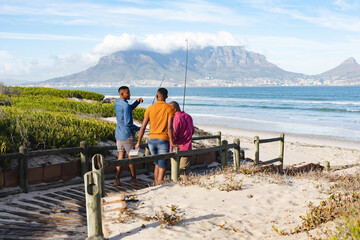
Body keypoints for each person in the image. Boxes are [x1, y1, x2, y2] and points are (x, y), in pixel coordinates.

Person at [135, 88, 176, 185]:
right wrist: (172, 142)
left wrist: (138, 142)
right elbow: (170, 127)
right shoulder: (170, 109)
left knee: (157, 164)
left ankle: (155, 184)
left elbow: (143, 127)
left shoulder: (150, 108)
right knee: (162, 165)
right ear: (166, 97)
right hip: (163, 139)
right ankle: (159, 185)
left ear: (157, 96)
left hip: (151, 140)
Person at [114, 86, 143, 186]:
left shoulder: (117, 103)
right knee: (131, 157)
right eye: (128, 93)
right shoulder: (125, 105)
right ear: (122, 94)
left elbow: (128, 109)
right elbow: (128, 123)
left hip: (118, 134)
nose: (129, 94)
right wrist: (138, 128)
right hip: (127, 135)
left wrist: (136, 102)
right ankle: (134, 180)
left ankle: (116, 180)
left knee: (120, 157)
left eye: (129, 92)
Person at [169, 101, 194, 177]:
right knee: (184, 172)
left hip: (176, 148)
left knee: (175, 172)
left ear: (173, 109)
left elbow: (174, 133)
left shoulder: (176, 117)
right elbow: (192, 131)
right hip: (187, 148)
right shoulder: (188, 116)